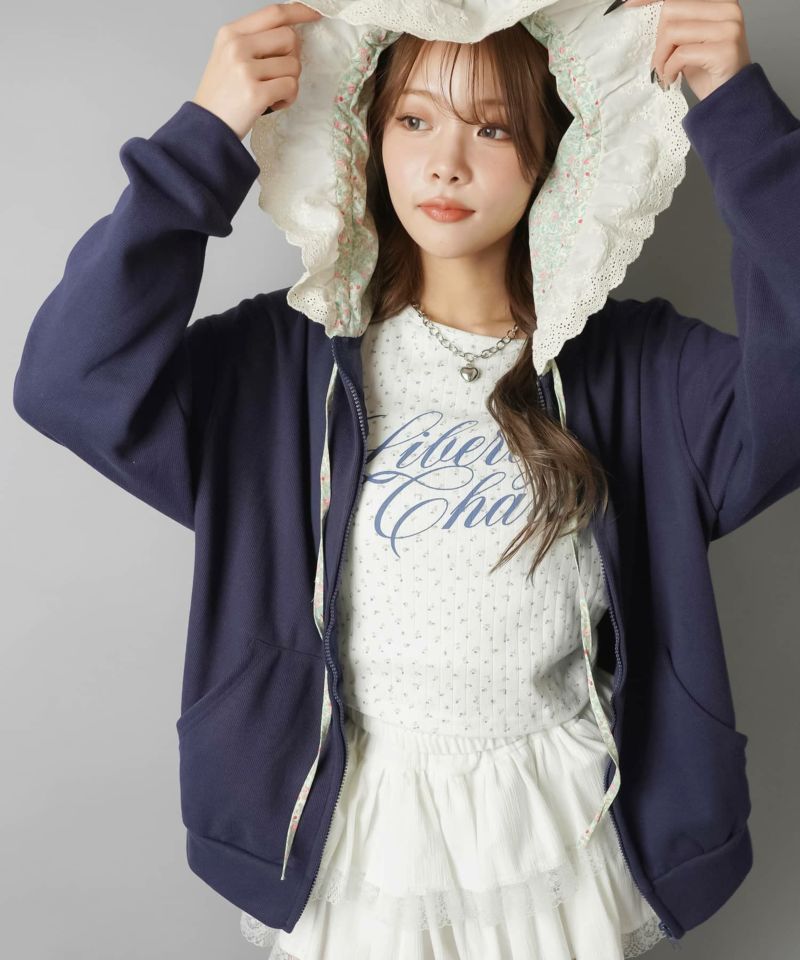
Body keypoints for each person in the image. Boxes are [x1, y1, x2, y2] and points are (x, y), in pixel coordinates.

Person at [13, 1, 797, 958]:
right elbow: (69, 382)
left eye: (493, 128)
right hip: (354, 827)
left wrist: (740, 113)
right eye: (415, 119)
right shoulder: (281, 364)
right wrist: (204, 139)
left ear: (551, 152)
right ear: (367, 137)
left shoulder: (637, 370)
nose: (446, 162)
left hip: (557, 823)